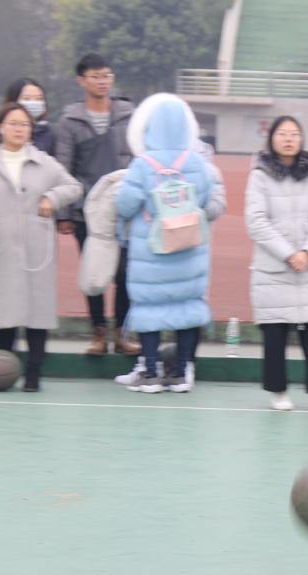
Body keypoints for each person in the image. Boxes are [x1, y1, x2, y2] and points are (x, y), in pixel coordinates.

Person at [0, 103, 82, 392]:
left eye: (25, 124)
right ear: (0, 128)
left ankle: (33, 372)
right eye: (14, 123)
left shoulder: (45, 163)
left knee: (37, 310)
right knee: (3, 308)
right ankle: (3, 367)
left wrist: (52, 199)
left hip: (36, 247)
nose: (19, 129)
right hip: (0, 245)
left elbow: (73, 187)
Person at [115, 93, 213, 394]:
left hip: (151, 251)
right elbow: (205, 199)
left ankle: (151, 372)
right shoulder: (196, 162)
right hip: (188, 248)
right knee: (187, 307)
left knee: (149, 309)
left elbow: (125, 205)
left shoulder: (143, 164)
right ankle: (181, 372)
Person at [246, 116, 308, 412]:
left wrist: (307, 252)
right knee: (275, 334)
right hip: (274, 269)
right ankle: (279, 391)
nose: (288, 139)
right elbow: (256, 221)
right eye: (283, 134)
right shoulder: (259, 175)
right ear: (272, 138)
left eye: (294, 134)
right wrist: (289, 254)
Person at [55, 53, 138, 356]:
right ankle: (98, 334)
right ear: (81, 80)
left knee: (126, 274)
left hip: (125, 209)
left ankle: (122, 334)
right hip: (86, 212)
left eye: (106, 75)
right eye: (95, 76)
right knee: (94, 272)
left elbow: (140, 157)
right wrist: (64, 213)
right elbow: (63, 169)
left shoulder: (128, 115)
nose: (102, 81)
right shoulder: (70, 122)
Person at [0, 78, 55, 155]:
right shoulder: (3, 131)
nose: (34, 103)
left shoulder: (49, 134)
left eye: (39, 99)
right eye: (27, 99)